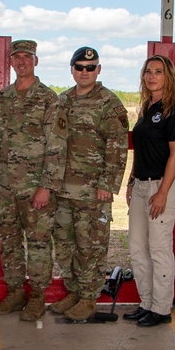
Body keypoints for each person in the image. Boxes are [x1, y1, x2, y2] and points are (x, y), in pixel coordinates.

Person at [49, 46, 129, 322]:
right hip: (62, 189)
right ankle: (73, 291)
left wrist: (108, 184)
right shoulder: (62, 100)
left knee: (90, 245)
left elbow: (117, 147)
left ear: (98, 70)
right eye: (79, 67)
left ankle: (88, 297)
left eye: (90, 67)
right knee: (65, 243)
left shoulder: (109, 103)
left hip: (93, 190)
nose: (85, 72)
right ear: (72, 69)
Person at [0, 39, 62, 321]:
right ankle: (15, 292)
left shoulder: (48, 99)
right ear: (11, 62)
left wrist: (46, 187)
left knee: (39, 242)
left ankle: (38, 297)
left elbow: (56, 147)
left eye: (27, 57)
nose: (21, 62)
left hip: (34, 189)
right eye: (16, 57)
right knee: (10, 242)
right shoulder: (2, 99)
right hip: (5, 186)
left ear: (35, 62)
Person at [124, 54, 175, 327]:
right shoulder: (147, 108)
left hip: (163, 184)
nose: (152, 76)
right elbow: (141, 151)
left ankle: (161, 309)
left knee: (158, 248)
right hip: (141, 184)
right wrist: (131, 180)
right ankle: (146, 302)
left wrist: (162, 192)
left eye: (158, 71)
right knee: (137, 247)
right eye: (148, 71)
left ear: (168, 76)